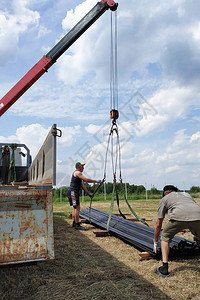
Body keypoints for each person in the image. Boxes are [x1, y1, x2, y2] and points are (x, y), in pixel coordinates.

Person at [154, 185, 200, 277]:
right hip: (198, 216)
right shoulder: (186, 194)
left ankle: (164, 269)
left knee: (165, 236)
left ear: (165, 193)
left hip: (177, 217)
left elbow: (159, 223)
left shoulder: (165, 199)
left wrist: (155, 242)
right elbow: (190, 211)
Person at [67, 162, 102, 230]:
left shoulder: (78, 176)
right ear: (79, 167)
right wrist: (96, 181)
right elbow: (86, 180)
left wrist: (89, 194)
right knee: (77, 208)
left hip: (73, 192)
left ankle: (74, 222)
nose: (83, 168)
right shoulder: (77, 173)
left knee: (75, 208)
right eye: (82, 166)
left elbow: (83, 186)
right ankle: (77, 224)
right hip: (73, 192)